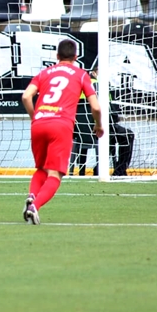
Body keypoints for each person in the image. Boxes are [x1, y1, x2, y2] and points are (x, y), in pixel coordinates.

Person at [21, 39, 103, 225]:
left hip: (39, 123)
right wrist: (98, 125)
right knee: (55, 174)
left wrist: (35, 117)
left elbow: (26, 96)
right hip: (61, 124)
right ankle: (35, 206)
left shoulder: (45, 73)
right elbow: (96, 108)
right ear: (75, 57)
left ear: (57, 56)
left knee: (41, 168)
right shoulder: (82, 75)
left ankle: (32, 196)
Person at [70, 68, 135, 177]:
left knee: (111, 132)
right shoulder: (100, 86)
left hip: (78, 133)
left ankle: (96, 168)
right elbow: (110, 112)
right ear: (94, 73)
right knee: (127, 135)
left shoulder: (75, 86)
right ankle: (119, 171)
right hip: (98, 129)